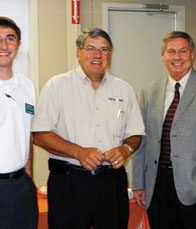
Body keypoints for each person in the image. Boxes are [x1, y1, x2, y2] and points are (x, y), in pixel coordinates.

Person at [32, 27, 145, 229]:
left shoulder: (124, 89)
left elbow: (135, 134)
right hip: (69, 183)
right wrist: (78, 152)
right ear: (78, 52)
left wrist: (124, 149)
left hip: (112, 183)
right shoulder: (57, 86)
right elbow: (40, 134)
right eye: (91, 48)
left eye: (104, 49)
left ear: (110, 54)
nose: (97, 55)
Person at [132, 31, 196, 229]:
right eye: (171, 52)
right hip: (156, 186)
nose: (177, 57)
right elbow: (142, 141)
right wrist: (139, 183)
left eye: (183, 51)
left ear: (192, 54)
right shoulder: (148, 91)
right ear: (162, 56)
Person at [0, 17, 37, 229]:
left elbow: (26, 135)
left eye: (10, 39)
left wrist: (29, 179)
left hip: (21, 186)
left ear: (18, 45)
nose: (4, 46)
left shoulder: (27, 86)